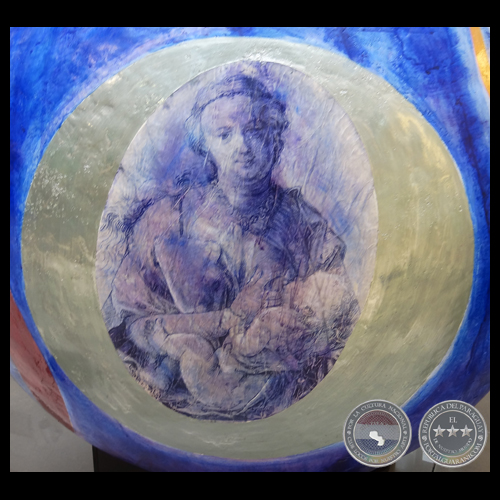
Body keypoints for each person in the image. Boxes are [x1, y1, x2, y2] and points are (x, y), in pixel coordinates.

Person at [104, 74, 360, 420]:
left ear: (274, 136)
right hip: (177, 404)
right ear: (205, 144)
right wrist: (198, 334)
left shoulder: (306, 225)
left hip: (284, 406)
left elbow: (340, 317)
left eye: (254, 130)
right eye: (224, 134)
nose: (242, 146)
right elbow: (131, 321)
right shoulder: (166, 220)